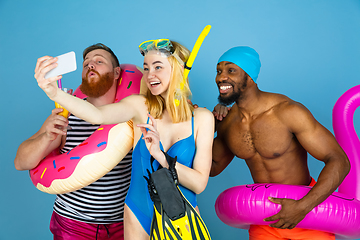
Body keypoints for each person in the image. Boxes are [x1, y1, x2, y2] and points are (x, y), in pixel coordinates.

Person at [35, 39, 214, 240]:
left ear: (178, 69)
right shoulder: (139, 106)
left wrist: (160, 156)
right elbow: (96, 115)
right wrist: (53, 92)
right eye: (146, 68)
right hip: (139, 212)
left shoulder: (202, 118)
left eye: (158, 67)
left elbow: (199, 183)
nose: (150, 75)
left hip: (183, 213)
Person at [211, 46, 350, 240]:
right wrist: (200, 127)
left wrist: (302, 207)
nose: (220, 77)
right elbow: (212, 168)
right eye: (218, 71)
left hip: (308, 213)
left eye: (230, 70)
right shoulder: (227, 123)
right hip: (264, 217)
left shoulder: (288, 112)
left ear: (249, 76)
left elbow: (339, 160)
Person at [14, 43, 133, 240]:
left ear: (117, 72)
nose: (90, 65)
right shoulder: (66, 114)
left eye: (99, 61)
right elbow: (21, 162)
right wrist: (47, 137)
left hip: (123, 224)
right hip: (74, 225)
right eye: (86, 63)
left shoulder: (131, 112)